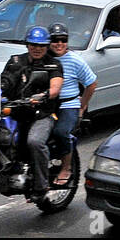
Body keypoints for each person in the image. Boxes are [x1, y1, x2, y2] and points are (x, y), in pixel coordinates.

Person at [0, 26, 64, 199]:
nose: (37, 48)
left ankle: (41, 187)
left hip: (42, 114)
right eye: (33, 44)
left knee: (35, 141)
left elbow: (56, 88)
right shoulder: (15, 61)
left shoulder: (53, 64)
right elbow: (3, 81)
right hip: (16, 111)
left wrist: (44, 95)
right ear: (27, 45)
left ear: (47, 46)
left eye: (41, 45)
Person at [47, 24, 96, 186]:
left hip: (68, 105)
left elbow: (91, 83)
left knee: (61, 132)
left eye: (63, 40)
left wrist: (82, 106)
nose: (59, 44)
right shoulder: (44, 58)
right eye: (55, 40)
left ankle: (66, 168)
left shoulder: (75, 60)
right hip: (48, 105)